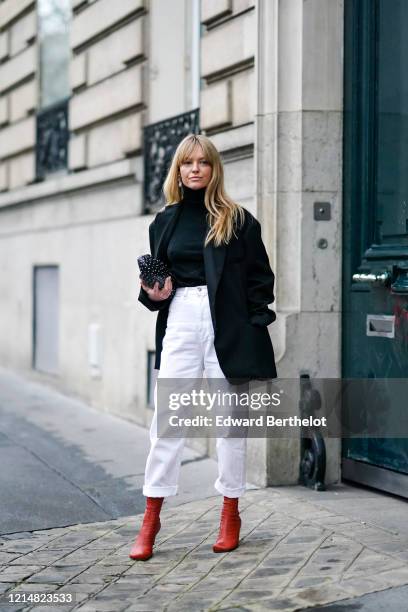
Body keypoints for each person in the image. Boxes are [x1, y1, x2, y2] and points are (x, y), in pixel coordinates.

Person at [130, 134, 277, 561]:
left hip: (226, 325)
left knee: (231, 422)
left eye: (203, 162)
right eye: (186, 163)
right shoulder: (165, 221)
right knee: (168, 422)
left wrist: (254, 326)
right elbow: (154, 288)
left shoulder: (238, 220)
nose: (195, 169)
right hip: (179, 319)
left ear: (215, 169)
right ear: (177, 171)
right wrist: (154, 294)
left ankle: (230, 512)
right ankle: (151, 517)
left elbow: (259, 281)